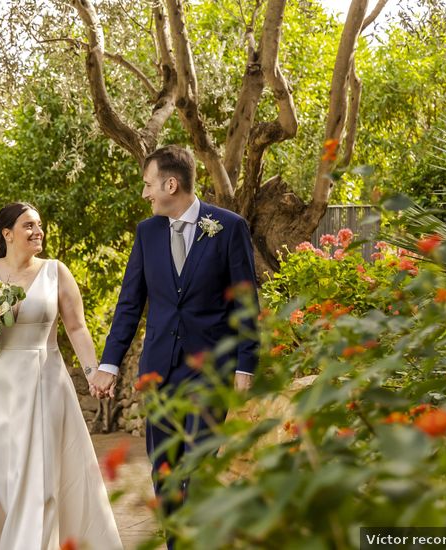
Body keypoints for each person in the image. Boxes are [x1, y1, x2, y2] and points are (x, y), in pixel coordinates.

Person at [90, 145, 259, 545]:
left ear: (171, 183)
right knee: (164, 468)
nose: (145, 194)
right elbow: (130, 302)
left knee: (199, 468)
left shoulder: (229, 226)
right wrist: (110, 363)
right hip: (159, 371)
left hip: (210, 370)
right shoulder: (147, 233)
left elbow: (246, 302)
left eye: (149, 185)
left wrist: (245, 365)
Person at [0, 202, 122, 550]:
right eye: (29, 226)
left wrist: (94, 372)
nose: (38, 232)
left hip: (43, 384)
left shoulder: (56, 272)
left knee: (39, 481)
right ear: (7, 234)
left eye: (39, 225)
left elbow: (77, 327)